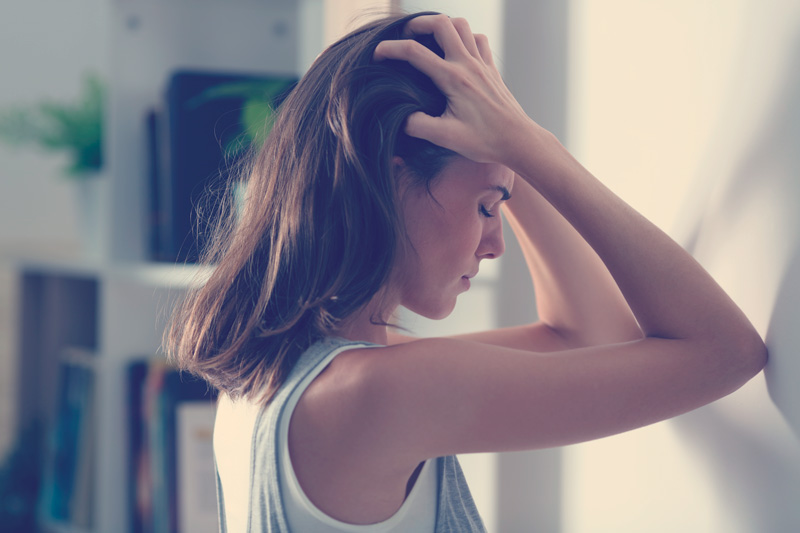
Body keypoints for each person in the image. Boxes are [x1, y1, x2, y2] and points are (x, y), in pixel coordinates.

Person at [166, 11, 767, 533]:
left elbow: (589, 337)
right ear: (395, 177)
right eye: (485, 207)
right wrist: (528, 144)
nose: (494, 244)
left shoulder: (277, 371)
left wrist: (505, 145)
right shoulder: (379, 393)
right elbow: (726, 351)